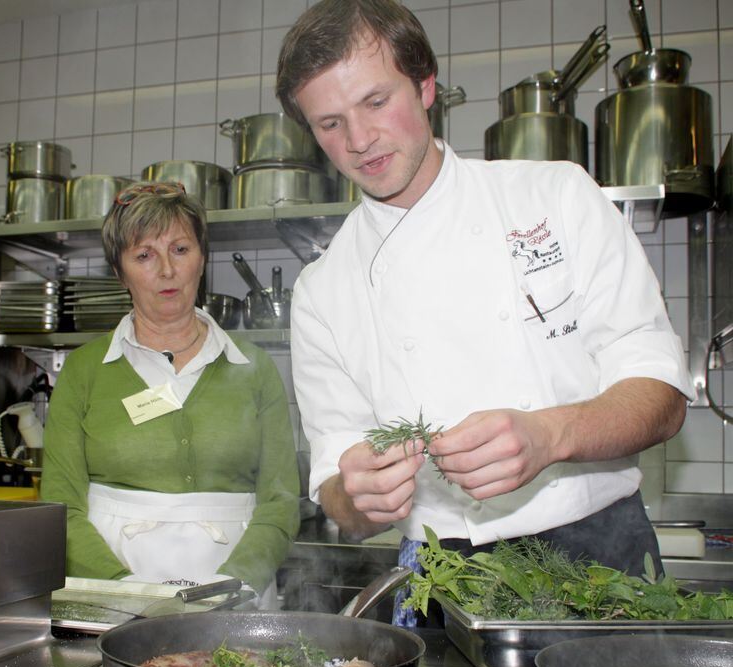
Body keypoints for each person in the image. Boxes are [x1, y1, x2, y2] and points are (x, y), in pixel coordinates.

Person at [275, 0, 694, 615]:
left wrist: (550, 435)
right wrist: (357, 497)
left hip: (601, 556)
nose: (359, 141)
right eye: (330, 124)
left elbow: (662, 395)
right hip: (443, 576)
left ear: (425, 86)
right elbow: (338, 488)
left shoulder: (555, 197)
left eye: (375, 102)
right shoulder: (322, 290)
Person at [40, 182, 300, 603]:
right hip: (112, 594)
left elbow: (281, 502)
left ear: (201, 258)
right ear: (120, 271)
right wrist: (122, 590)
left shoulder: (254, 369)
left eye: (180, 249)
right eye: (144, 255)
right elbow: (60, 507)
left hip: (237, 596)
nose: (166, 270)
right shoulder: (84, 371)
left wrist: (233, 585)